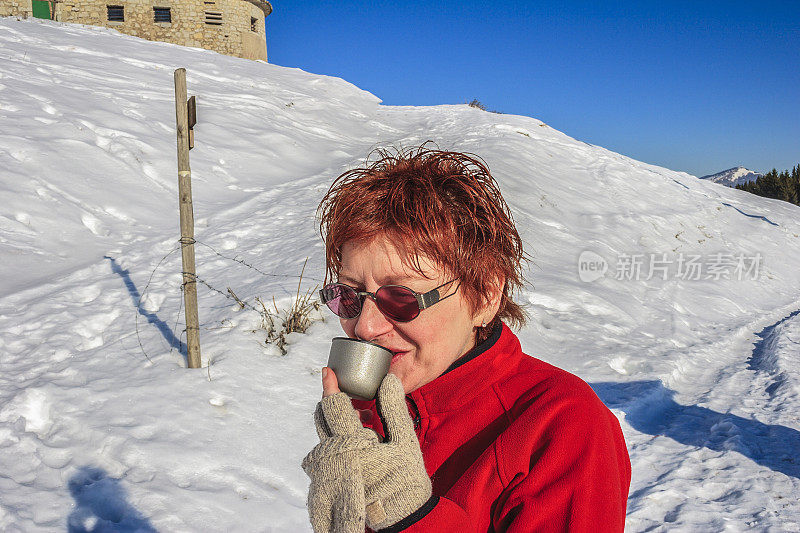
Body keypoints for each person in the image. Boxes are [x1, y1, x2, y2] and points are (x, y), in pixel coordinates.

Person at [302, 146, 631, 533]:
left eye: (401, 298)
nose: (364, 328)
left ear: (485, 297)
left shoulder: (563, 425)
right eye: (350, 296)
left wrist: (410, 517)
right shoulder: (379, 400)